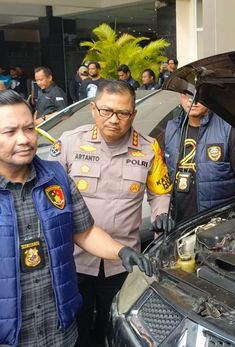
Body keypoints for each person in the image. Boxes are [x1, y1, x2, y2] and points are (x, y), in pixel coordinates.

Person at [0, 90, 152, 347]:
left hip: (60, 331)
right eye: (10, 132)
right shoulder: (72, 144)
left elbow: (84, 231)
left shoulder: (56, 177)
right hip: (11, 337)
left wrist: (122, 251)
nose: (24, 139)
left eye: (29, 129)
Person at [48, 80, 172, 347]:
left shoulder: (149, 149)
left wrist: (161, 212)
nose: (114, 119)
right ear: (93, 109)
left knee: (114, 324)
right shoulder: (70, 144)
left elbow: (160, 191)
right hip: (74, 260)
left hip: (122, 261)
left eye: (123, 113)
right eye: (106, 111)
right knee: (75, 326)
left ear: (133, 114)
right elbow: (48, 196)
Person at [163, 89, 235, 222]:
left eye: (198, 93)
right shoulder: (171, 129)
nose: (192, 99)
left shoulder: (229, 129)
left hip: (218, 226)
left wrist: (234, 220)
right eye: (187, 93)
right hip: (180, 226)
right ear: (180, 95)